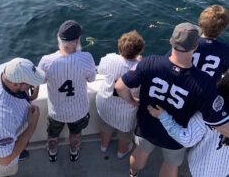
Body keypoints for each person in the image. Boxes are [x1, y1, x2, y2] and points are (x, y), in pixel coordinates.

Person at [115, 22, 229, 177]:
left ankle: (132, 173)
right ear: (195, 47)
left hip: (147, 125)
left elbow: (120, 87)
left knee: (141, 152)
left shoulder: (149, 62)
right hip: (175, 137)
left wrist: (134, 102)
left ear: (170, 41)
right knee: (170, 164)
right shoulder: (204, 83)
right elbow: (220, 124)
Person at [148, 70, 229, 177]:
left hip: (202, 168)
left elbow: (186, 139)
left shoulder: (205, 114)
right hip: (224, 170)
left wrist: (163, 117)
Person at [38, 20, 96, 162]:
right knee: (76, 133)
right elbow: (92, 79)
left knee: (53, 134)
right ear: (77, 40)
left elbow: (41, 81)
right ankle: (73, 152)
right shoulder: (86, 58)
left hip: (56, 112)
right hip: (79, 111)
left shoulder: (46, 61)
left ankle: (52, 152)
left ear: (58, 37)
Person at [96, 30, 144, 158]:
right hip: (126, 112)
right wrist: (139, 61)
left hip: (105, 102)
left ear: (120, 47)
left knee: (105, 125)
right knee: (125, 133)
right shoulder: (141, 68)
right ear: (139, 51)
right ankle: (121, 152)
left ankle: (104, 146)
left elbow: (100, 70)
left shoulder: (109, 58)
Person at [193, 5, 229, 82]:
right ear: (222, 30)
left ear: (200, 21)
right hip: (210, 88)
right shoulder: (225, 50)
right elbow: (225, 69)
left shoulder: (189, 43)